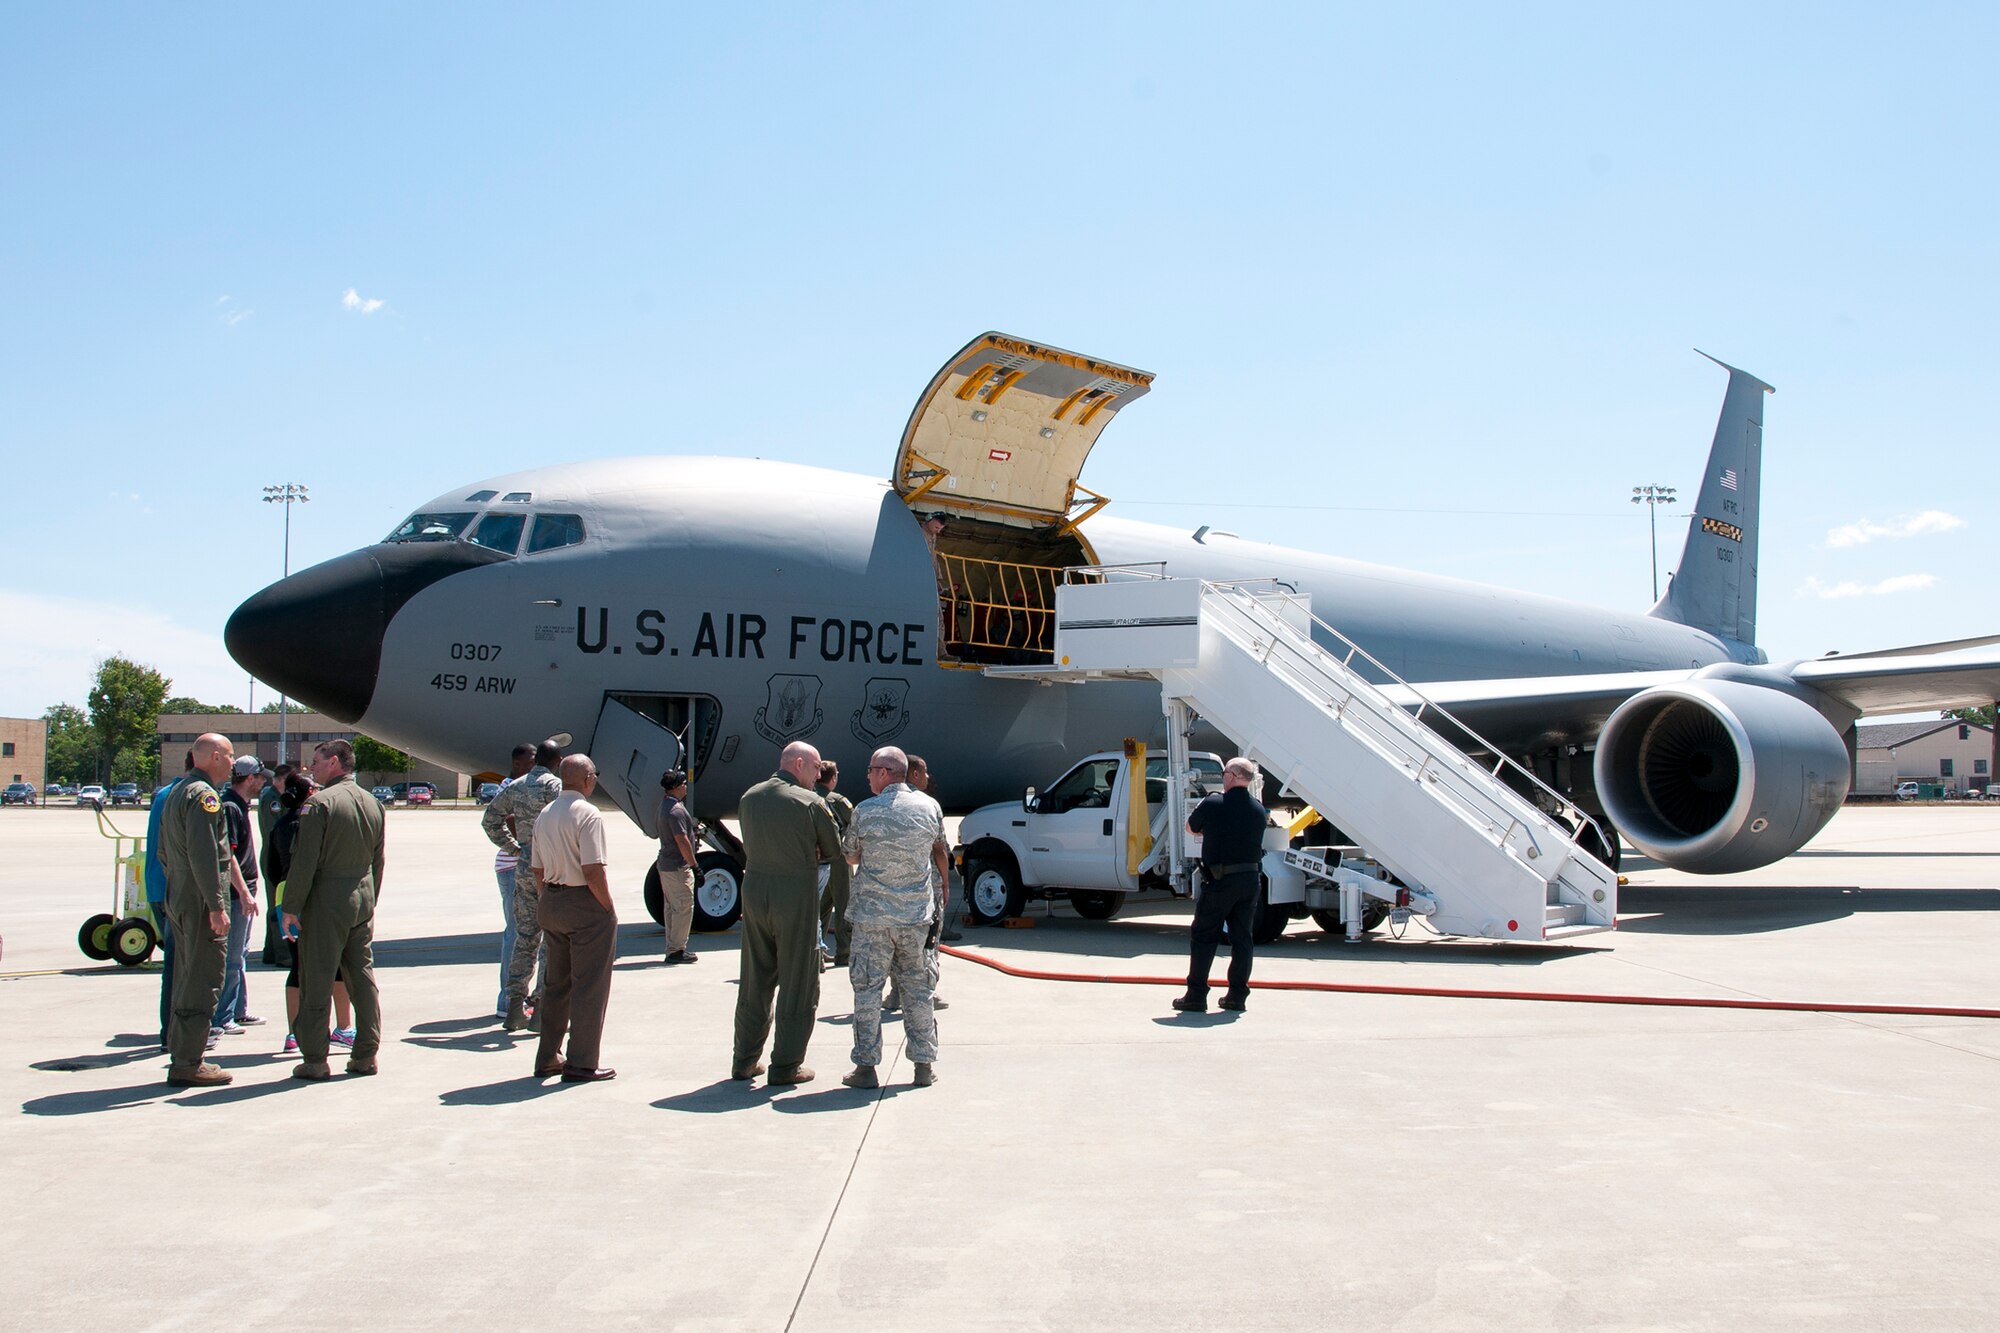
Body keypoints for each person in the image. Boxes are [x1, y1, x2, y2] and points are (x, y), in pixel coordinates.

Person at [732, 741, 842, 1086]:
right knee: (798, 981)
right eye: (814, 769)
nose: (817, 776)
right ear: (798, 764)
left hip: (754, 891)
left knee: (755, 977)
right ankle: (786, 1065)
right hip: (794, 894)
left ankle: (744, 1060)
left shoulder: (749, 797)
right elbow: (834, 849)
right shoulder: (811, 803)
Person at [839, 746, 946, 1090]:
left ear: (884, 772)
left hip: (873, 921)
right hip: (916, 919)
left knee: (868, 992)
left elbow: (851, 856)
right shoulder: (930, 807)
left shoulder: (865, 811)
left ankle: (866, 1068)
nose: (868, 776)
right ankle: (923, 1067)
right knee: (919, 992)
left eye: (871, 770)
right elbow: (939, 847)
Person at [284, 739, 386, 1080]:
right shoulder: (373, 803)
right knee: (362, 977)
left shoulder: (320, 804)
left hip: (327, 899)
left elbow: (305, 862)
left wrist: (291, 906)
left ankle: (314, 1057)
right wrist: (371, 899)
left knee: (316, 977)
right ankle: (366, 1053)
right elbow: (378, 860)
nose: (311, 767)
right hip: (362, 897)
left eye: (317, 760)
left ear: (334, 763)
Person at [529, 755, 618, 1082]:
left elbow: (536, 868)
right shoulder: (588, 814)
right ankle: (582, 1061)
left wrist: (547, 896)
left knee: (556, 984)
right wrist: (607, 908)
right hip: (583, 902)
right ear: (586, 780)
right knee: (590, 985)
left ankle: (549, 1055)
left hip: (551, 899)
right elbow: (593, 870)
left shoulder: (545, 814)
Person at [157, 733, 236, 1087]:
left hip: (180, 896)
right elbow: (207, 857)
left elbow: (163, 852)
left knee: (185, 975)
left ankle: (181, 1052)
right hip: (202, 901)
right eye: (231, 756)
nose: (234, 762)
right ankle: (189, 1061)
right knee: (203, 979)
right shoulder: (205, 797)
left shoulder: (176, 792)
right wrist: (216, 905)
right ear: (215, 757)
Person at [265, 770, 353, 1054]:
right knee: (336, 963)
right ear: (309, 794)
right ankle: (343, 1027)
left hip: (284, 898)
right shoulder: (314, 821)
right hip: (314, 898)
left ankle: (293, 1032)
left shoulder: (279, 826)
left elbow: (272, 869)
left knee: (297, 966)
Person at [1172, 757, 1269, 1014]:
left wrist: (1211, 832)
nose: (1223, 777)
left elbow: (1191, 828)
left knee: (1204, 936)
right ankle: (1237, 996)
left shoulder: (1214, 803)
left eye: (1225, 772)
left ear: (1232, 776)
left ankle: (1196, 995)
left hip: (1221, 880)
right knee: (1242, 939)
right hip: (1250, 880)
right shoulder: (1259, 810)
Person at [482, 740, 563, 1031]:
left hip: (525, 865)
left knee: (525, 937)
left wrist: (515, 848)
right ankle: (542, 1008)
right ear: (558, 761)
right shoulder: (554, 786)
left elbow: (490, 820)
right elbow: (564, 822)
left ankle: (515, 1006)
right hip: (551, 867)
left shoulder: (515, 786)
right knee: (552, 939)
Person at [887, 754, 950, 1011]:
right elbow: (940, 850)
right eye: (924, 772)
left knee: (893, 942)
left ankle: (895, 994)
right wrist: (946, 882)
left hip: (892, 885)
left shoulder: (884, 802)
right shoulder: (928, 805)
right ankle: (927, 992)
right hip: (925, 885)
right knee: (928, 941)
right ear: (914, 774)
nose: (928, 777)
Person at [211, 755, 267, 1036]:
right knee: (233, 957)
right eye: (259, 777)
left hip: (244, 891)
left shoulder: (239, 805)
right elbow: (227, 854)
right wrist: (244, 893)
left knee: (240, 954)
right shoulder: (231, 807)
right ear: (249, 778)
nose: (262, 781)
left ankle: (238, 1010)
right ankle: (223, 1016)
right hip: (236, 895)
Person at [144, 751, 193, 1048]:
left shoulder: (164, 794)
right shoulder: (186, 796)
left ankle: (171, 1030)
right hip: (174, 888)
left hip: (157, 886)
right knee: (180, 967)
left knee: (175, 965)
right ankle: (173, 1034)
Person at [487, 744, 534, 1015]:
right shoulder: (511, 787)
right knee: (516, 934)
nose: (534, 767)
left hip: (515, 866)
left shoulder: (519, 787)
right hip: (513, 867)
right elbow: (510, 821)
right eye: (530, 762)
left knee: (522, 934)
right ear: (517, 764)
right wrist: (523, 848)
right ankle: (508, 1001)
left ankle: (517, 997)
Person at [656, 768, 699, 965]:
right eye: (683, 784)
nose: (685, 787)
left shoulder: (665, 806)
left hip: (666, 864)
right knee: (683, 907)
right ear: (676, 787)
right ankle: (677, 949)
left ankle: (673, 947)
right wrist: (695, 865)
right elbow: (682, 840)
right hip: (676, 866)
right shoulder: (676, 811)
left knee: (672, 907)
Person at [815, 760, 854, 965]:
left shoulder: (809, 796)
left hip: (818, 859)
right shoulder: (838, 801)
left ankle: (816, 950)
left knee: (821, 904)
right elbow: (855, 823)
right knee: (844, 902)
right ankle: (844, 951)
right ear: (834, 777)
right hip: (838, 858)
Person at [256, 762, 295, 964]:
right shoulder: (273, 800)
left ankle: (271, 951)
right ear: (279, 780)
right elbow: (275, 831)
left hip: (275, 856)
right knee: (277, 906)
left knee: (275, 904)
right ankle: (282, 954)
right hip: (275, 857)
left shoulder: (276, 798)